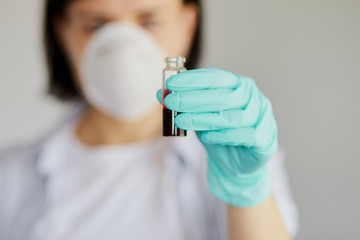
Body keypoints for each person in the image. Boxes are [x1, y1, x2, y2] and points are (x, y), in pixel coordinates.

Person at [0, 0, 299, 239]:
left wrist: (245, 189)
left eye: (149, 21)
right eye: (96, 25)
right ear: (63, 32)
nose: (124, 47)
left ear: (187, 25)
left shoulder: (235, 155)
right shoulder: (11, 177)